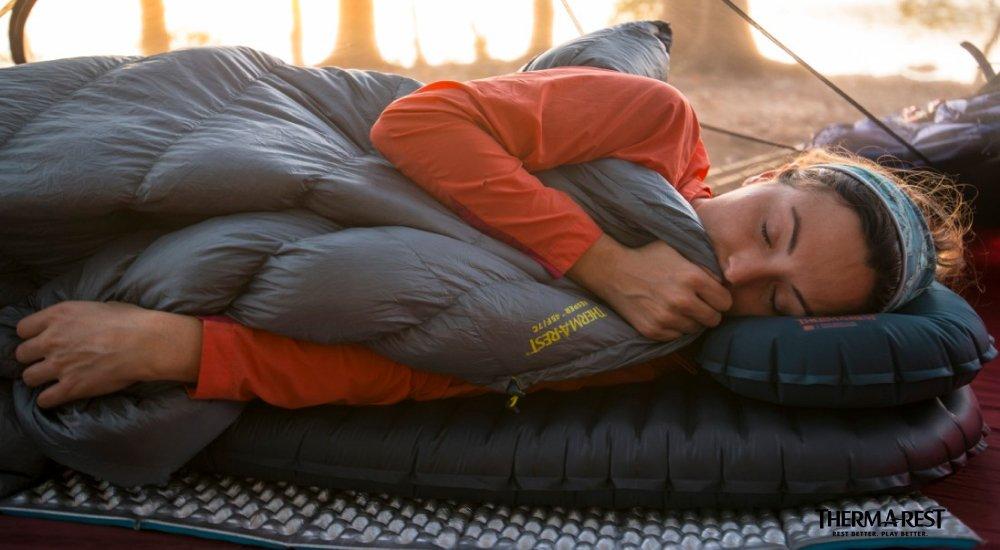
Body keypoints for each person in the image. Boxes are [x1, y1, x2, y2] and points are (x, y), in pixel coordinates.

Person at [12, 67, 970, 410]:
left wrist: (180, 348)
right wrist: (600, 259)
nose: (743, 268)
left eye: (780, 298)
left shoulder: (648, 346)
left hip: (223, 263)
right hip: (253, 134)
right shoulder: (651, 124)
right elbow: (414, 128)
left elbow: (423, 364)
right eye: (771, 230)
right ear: (769, 178)